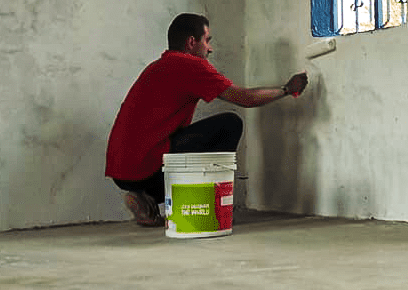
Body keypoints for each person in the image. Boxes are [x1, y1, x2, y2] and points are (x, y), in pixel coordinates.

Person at [105, 13, 308, 226]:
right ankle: (207, 203)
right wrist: (287, 89)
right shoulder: (189, 65)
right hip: (146, 167)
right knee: (229, 124)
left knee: (185, 138)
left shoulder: (157, 66)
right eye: (207, 40)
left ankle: (144, 197)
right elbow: (245, 98)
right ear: (191, 42)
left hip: (123, 172)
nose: (210, 48)